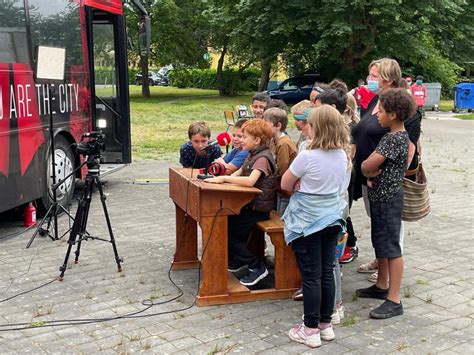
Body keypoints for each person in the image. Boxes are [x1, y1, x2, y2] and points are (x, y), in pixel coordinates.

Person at [282, 105, 349, 348]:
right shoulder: (342, 155)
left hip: (308, 222)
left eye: (308, 124)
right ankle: (325, 323)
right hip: (332, 218)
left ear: (316, 128)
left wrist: (300, 183)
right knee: (326, 271)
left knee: (310, 276)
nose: (305, 128)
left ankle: (309, 329)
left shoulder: (308, 156)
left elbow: (286, 183)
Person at [352, 58, 420, 293]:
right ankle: (381, 280)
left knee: (391, 237)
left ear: (389, 79)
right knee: (378, 230)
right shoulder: (375, 100)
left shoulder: (400, 114)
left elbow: (411, 146)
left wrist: (390, 175)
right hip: (373, 182)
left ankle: (391, 290)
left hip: (387, 183)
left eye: (374, 76)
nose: (370, 80)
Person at [359, 88, 416, 319]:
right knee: (381, 243)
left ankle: (394, 299)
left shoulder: (392, 139)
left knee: (392, 248)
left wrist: (368, 171)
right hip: (382, 197)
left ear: (393, 114)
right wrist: (372, 175)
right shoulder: (398, 136)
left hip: (389, 200)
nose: (377, 115)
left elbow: (366, 165)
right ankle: (381, 286)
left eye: (380, 111)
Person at [205, 119, 277, 286]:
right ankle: (238, 260)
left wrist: (223, 178)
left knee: (231, 235)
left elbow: (251, 181)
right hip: (248, 205)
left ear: (257, 140)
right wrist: (218, 179)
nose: (241, 140)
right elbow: (238, 173)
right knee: (226, 225)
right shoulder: (253, 154)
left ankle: (256, 266)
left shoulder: (263, 158)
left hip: (258, 208)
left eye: (244, 137)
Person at [263, 108, 297, 215]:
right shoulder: (273, 141)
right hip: (279, 188)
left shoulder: (284, 143)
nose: (263, 129)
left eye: (266, 125)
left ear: (278, 126)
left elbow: (283, 168)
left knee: (281, 218)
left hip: (285, 190)